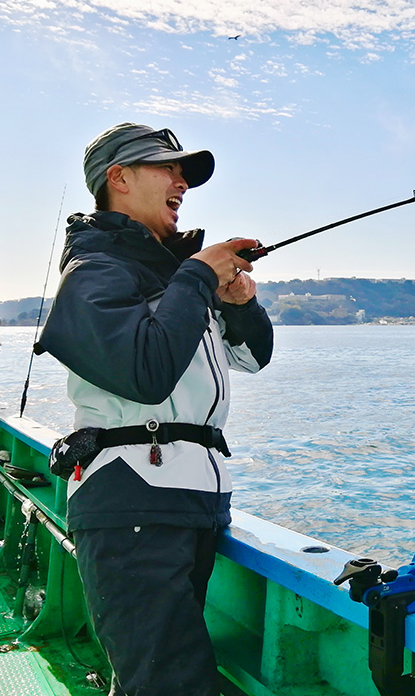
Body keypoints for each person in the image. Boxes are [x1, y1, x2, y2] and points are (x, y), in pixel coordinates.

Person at [36, 123, 274, 696]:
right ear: (117, 179)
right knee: (168, 682)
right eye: (167, 168)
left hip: (190, 501)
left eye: (184, 173)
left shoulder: (173, 271)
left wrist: (237, 303)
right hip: (131, 500)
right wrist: (197, 276)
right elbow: (145, 372)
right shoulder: (95, 269)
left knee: (156, 678)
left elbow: (250, 360)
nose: (182, 182)